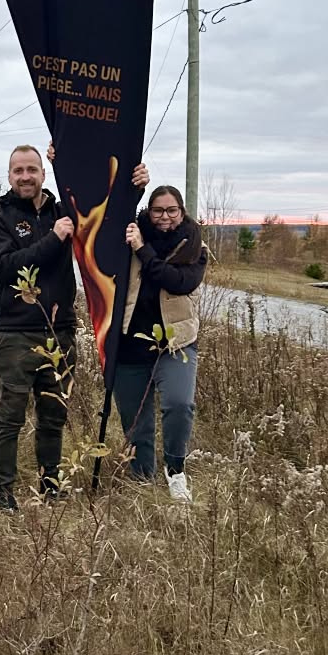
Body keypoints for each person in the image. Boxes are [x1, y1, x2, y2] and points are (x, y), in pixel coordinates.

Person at [0, 144, 148, 512]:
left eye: (32, 169)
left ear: (43, 173)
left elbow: (104, 216)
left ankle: (50, 485)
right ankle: (4, 493)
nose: (25, 176)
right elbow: (6, 268)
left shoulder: (63, 211)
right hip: (15, 333)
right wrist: (53, 238)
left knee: (53, 414)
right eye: (18, 171)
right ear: (9, 177)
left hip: (60, 332)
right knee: (9, 417)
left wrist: (134, 188)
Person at [118, 185, 207, 502]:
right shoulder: (129, 236)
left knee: (179, 404)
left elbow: (178, 282)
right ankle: (141, 479)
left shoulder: (194, 246)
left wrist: (143, 250)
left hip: (176, 342)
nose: (165, 217)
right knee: (135, 419)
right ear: (148, 211)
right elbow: (107, 208)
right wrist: (137, 188)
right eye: (158, 210)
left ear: (181, 211)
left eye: (172, 210)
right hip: (130, 342)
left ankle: (175, 469)